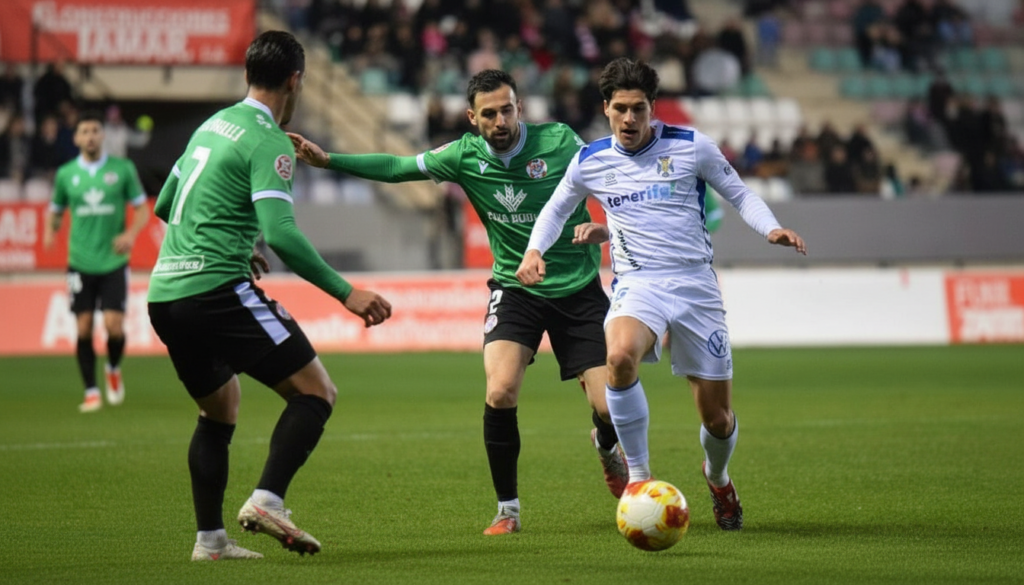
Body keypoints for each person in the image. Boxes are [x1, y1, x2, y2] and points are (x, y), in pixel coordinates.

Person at [288, 69, 628, 536]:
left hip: (578, 288)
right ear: (473, 118)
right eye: (489, 113)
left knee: (610, 409)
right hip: (516, 290)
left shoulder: (560, 142)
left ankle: (607, 445)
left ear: (520, 108)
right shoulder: (463, 156)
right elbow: (397, 168)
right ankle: (507, 510)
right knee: (499, 390)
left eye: (507, 109)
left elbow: (612, 180)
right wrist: (330, 162)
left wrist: (610, 230)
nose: (500, 120)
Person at [516, 58, 807, 531]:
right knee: (620, 357)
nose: (629, 119)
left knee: (717, 418)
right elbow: (553, 211)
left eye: (639, 109)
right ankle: (638, 481)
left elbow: (739, 194)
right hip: (638, 283)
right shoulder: (591, 160)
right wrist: (534, 251)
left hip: (695, 285)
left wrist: (770, 228)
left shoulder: (693, 147)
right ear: (605, 109)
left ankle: (717, 478)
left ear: (653, 108)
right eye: (620, 109)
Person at [146, 31, 393, 561]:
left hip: (165, 293)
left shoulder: (209, 126)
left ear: (246, 76)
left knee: (220, 410)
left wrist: (237, 236)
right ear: (295, 80)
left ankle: (210, 542)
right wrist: (345, 293)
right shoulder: (269, 140)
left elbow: (165, 204)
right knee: (316, 392)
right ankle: (267, 500)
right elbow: (282, 234)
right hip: (214, 288)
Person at [42, 110, 151, 413]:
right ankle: (91, 390)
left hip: (114, 261)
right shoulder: (66, 175)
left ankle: (113, 368)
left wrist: (130, 233)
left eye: (95, 130)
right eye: (84, 131)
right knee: (84, 328)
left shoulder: (123, 169)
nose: (90, 136)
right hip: (79, 261)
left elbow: (142, 209)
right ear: (77, 138)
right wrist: (50, 230)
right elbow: (55, 209)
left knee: (115, 328)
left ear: (103, 135)